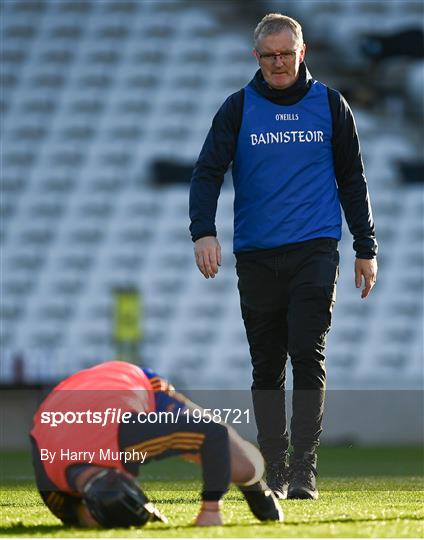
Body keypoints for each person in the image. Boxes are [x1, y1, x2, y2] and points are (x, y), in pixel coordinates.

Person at [189, 13, 378, 500]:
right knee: (266, 367)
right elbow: (207, 172)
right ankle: (274, 468)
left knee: (307, 354)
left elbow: (352, 179)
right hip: (256, 255)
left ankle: (304, 471)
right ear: (256, 57)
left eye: (285, 54)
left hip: (315, 250)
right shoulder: (237, 109)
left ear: (302, 52)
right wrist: (203, 232)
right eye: (269, 55)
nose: (278, 62)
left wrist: (365, 246)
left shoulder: (330, 106)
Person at [30, 361, 283, 528]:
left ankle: (255, 487)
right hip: (75, 395)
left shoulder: (129, 439)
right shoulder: (50, 480)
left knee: (243, 467)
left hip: (133, 384)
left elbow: (213, 434)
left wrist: (211, 508)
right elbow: (76, 517)